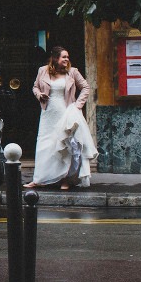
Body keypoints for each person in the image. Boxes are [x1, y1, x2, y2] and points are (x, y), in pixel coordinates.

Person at [28, 46, 97, 189]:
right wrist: (39, 95)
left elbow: (86, 87)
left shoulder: (73, 72)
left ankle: (64, 179)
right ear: (55, 58)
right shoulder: (43, 70)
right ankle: (39, 179)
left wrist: (78, 105)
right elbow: (35, 87)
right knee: (45, 145)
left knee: (65, 146)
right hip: (48, 114)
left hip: (66, 113)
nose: (67, 59)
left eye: (67, 57)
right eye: (63, 57)